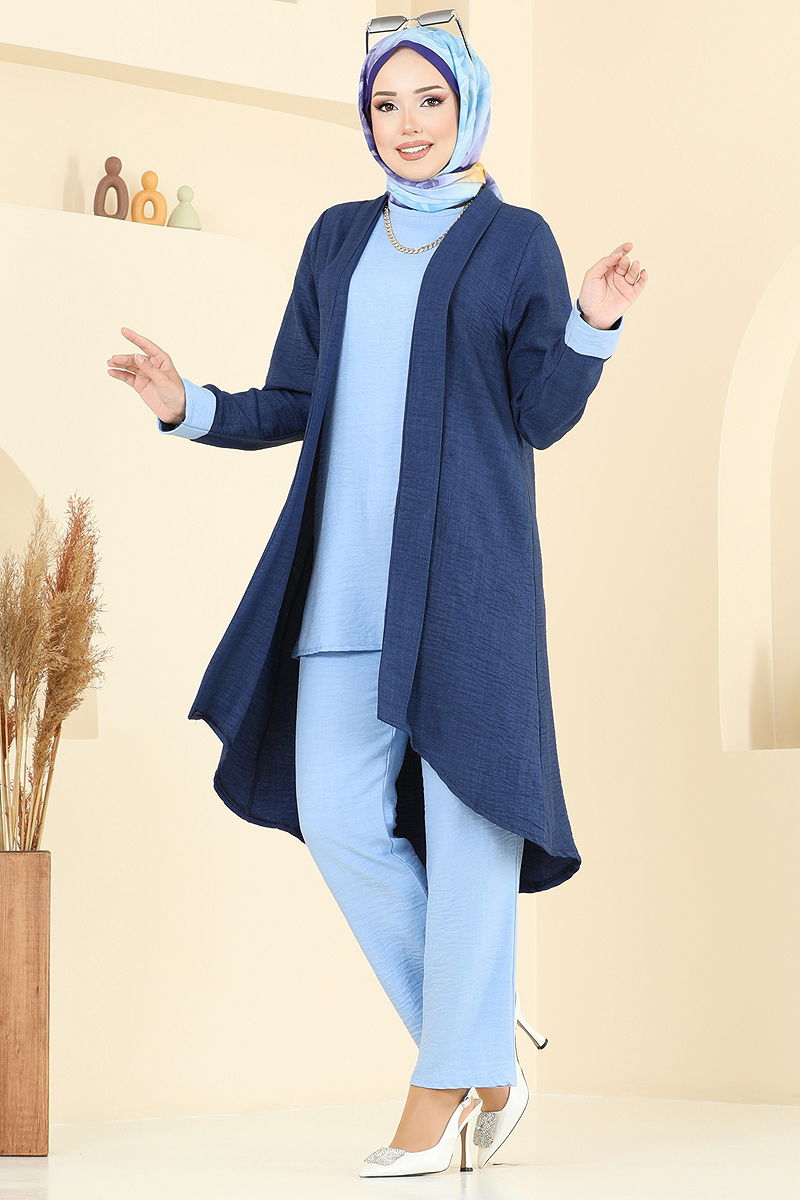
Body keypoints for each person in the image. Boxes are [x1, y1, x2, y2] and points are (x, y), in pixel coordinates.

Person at [106, 15, 647, 1179]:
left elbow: (539, 414)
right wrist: (186, 405)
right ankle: (483, 1050)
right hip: (341, 590)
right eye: (384, 105)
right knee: (342, 818)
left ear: (467, 107)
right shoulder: (337, 236)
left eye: (428, 102)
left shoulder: (515, 241)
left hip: (468, 592)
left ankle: (438, 1089)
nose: (405, 124)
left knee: (467, 837)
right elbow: (294, 400)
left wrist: (590, 323)